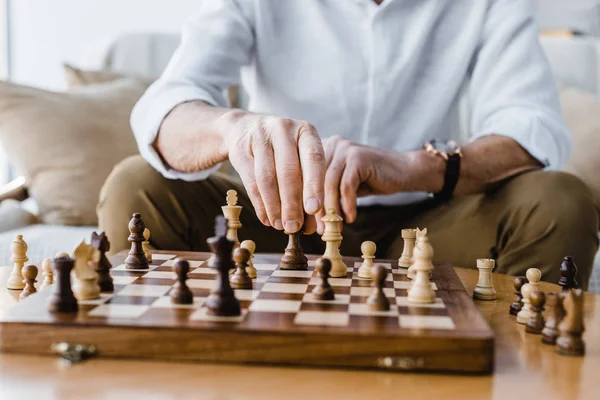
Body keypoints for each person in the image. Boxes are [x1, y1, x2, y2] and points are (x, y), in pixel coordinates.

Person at [98, 0, 599, 288]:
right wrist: (233, 128)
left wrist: (413, 166)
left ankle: (506, 369)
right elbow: (166, 108)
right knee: (135, 185)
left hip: (427, 226)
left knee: (558, 200)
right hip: (278, 222)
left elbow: (532, 127)